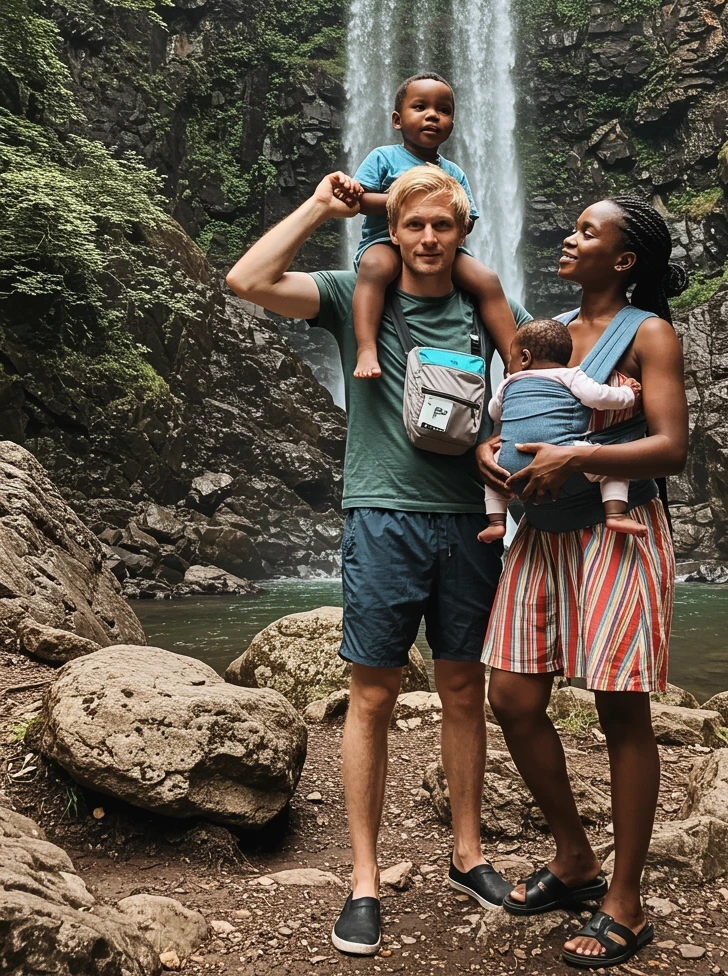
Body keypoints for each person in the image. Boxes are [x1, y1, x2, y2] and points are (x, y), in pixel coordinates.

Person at [225, 164, 531, 958]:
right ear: (392, 231)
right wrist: (320, 207)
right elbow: (247, 279)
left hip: (472, 521)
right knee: (373, 696)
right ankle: (363, 878)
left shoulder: (484, 302)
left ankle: (468, 854)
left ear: (463, 231)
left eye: (443, 226)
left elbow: (545, 368)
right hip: (383, 519)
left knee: (465, 688)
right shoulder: (351, 293)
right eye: (413, 226)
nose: (428, 240)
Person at [476, 194, 689, 971]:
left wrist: (581, 458)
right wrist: (489, 456)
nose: (569, 237)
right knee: (513, 697)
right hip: (541, 533)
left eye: (587, 232)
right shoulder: (553, 333)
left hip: (616, 529)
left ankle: (625, 904)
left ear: (623, 260)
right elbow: (519, 416)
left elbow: (670, 447)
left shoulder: (649, 333)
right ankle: (575, 857)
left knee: (620, 710)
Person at [345, 72, 517, 379]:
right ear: (397, 120)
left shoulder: (454, 172)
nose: (432, 116)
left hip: (438, 247)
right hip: (384, 241)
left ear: (452, 123)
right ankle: (366, 348)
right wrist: (407, 204)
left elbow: (468, 218)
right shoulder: (383, 157)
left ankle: (514, 360)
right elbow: (359, 201)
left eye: (443, 110)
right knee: (374, 268)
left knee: (487, 279)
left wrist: (445, 221)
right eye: (420, 107)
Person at [478, 317, 647, 544]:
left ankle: (496, 523)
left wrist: (508, 386)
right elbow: (601, 397)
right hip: (563, 451)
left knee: (493, 477)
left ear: (525, 358)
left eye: (511, 359)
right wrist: (628, 393)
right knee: (610, 465)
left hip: (510, 459)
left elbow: (494, 413)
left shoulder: (508, 384)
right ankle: (616, 514)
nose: (509, 366)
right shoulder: (571, 375)